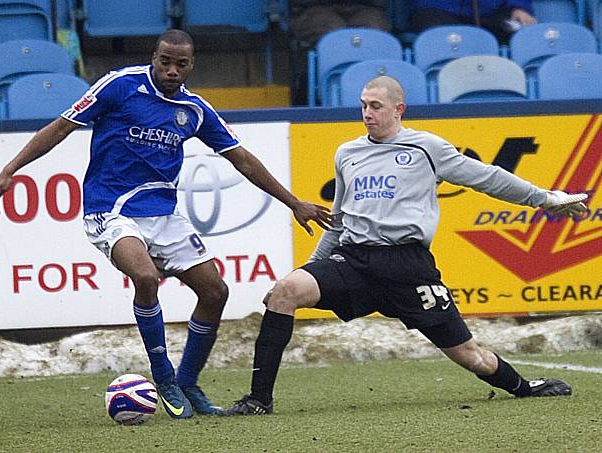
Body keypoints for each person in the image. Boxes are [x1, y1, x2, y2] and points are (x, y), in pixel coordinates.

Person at [0, 29, 331, 419]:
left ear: (191, 65)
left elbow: (243, 160)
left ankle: (186, 381)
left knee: (215, 291)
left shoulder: (195, 109)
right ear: (155, 56)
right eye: (164, 61)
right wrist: (10, 169)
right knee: (146, 278)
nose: (171, 70)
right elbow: (61, 127)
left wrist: (293, 203)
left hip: (164, 216)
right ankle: (162, 373)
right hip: (110, 209)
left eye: (180, 64)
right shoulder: (120, 86)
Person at [226, 75, 587, 415]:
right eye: (364, 105)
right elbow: (339, 221)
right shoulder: (347, 154)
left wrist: (545, 199)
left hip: (408, 266)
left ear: (399, 109)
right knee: (286, 291)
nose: (368, 113)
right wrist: (307, 269)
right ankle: (259, 400)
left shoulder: (426, 148)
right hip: (355, 260)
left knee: (468, 354)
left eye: (377, 106)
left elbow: (487, 178)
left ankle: (523, 386)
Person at [288, 1, 391, 105]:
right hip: (313, 7)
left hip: (364, 7)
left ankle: (371, 97)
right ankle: (327, 96)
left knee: (374, 32)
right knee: (335, 36)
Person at [411, 0, 537, 43]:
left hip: (491, 12)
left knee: (523, 33)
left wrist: (519, 7)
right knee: (436, 32)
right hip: (439, 9)